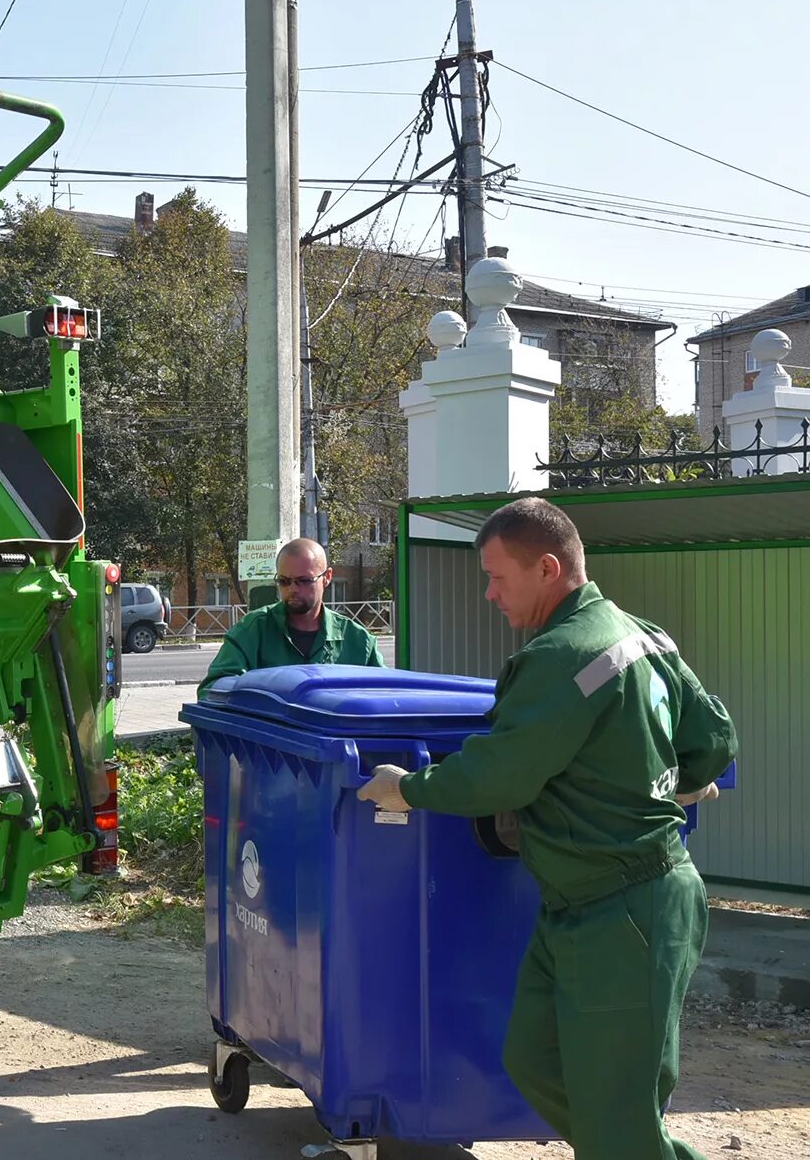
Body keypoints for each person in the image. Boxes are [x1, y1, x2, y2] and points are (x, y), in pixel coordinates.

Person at [358, 497, 736, 1160]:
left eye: (500, 577)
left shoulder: (563, 654)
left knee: (617, 1111)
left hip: (626, 906)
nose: (489, 593)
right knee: (535, 1059)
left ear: (550, 567)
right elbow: (712, 740)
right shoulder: (641, 635)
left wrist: (408, 788)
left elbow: (497, 775)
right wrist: (667, 775)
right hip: (580, 905)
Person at [196, 537, 383, 696]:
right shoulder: (253, 630)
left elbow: (388, 696)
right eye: (284, 582)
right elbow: (212, 691)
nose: (293, 589)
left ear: (327, 577)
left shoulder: (358, 641)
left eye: (304, 581)